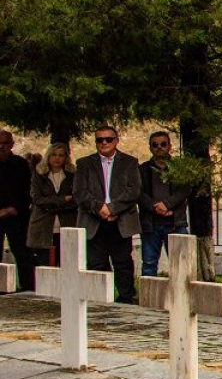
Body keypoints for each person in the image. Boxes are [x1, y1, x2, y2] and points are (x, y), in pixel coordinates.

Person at [73, 126, 142, 303]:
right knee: (96, 262)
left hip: (120, 220)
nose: (104, 143)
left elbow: (134, 190)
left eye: (108, 139)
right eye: (99, 140)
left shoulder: (130, 162)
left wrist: (112, 208)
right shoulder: (84, 164)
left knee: (123, 262)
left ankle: (126, 298)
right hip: (94, 220)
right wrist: (99, 208)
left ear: (116, 140)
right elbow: (80, 192)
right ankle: (99, 300)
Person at [137, 131, 192, 277]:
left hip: (175, 224)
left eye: (163, 144)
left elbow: (185, 190)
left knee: (181, 267)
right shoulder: (142, 170)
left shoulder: (180, 169)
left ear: (169, 146)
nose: (159, 147)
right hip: (151, 225)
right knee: (149, 265)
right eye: (155, 145)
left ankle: (181, 299)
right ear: (150, 147)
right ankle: (148, 299)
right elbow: (138, 193)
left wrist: (167, 204)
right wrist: (155, 206)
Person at [28, 142, 77, 270]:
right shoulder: (38, 175)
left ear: (66, 157)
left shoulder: (73, 175)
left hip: (67, 224)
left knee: (67, 265)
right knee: (44, 266)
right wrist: (63, 199)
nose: (57, 158)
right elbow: (37, 199)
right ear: (48, 156)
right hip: (43, 226)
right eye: (54, 154)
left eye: (61, 155)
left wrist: (52, 203)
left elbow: (76, 200)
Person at [0, 130, 35, 291]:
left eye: (5, 143)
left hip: (17, 216)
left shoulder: (20, 164)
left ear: (11, 144)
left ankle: (27, 288)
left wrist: (13, 208)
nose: (2, 146)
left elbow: (26, 190)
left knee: (22, 253)